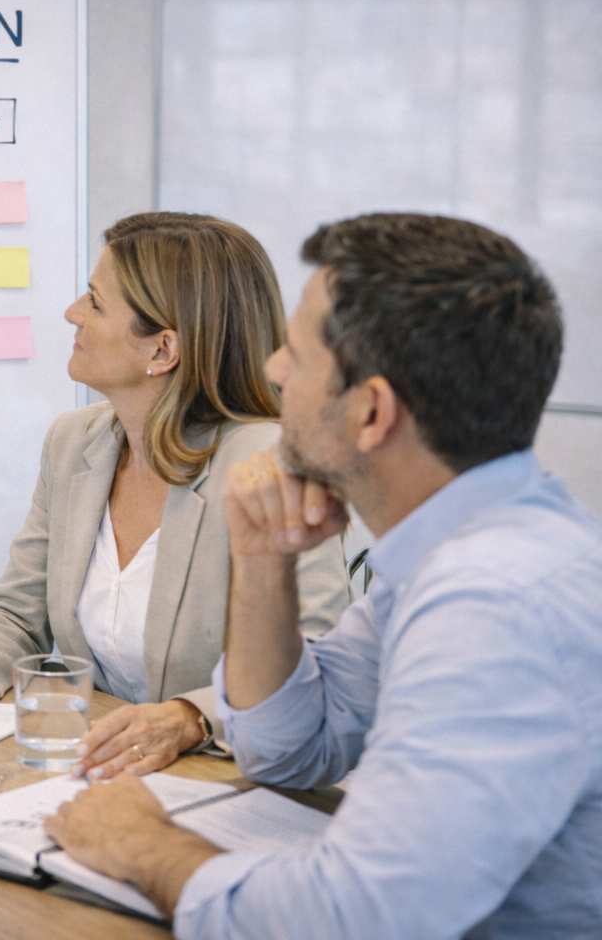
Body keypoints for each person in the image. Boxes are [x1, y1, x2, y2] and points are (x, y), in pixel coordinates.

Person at [44, 213, 602, 936]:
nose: (273, 370)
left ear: (370, 412)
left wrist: (142, 847)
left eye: (299, 356)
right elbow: (290, 748)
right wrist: (262, 559)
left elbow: (356, 917)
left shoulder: (496, 606)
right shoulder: (446, 560)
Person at [0, 212, 351, 776]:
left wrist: (191, 716)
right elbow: (18, 612)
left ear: (163, 350)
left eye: (94, 301)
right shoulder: (75, 442)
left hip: (232, 782)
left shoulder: (271, 465)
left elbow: (318, 661)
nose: (71, 312)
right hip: (105, 772)